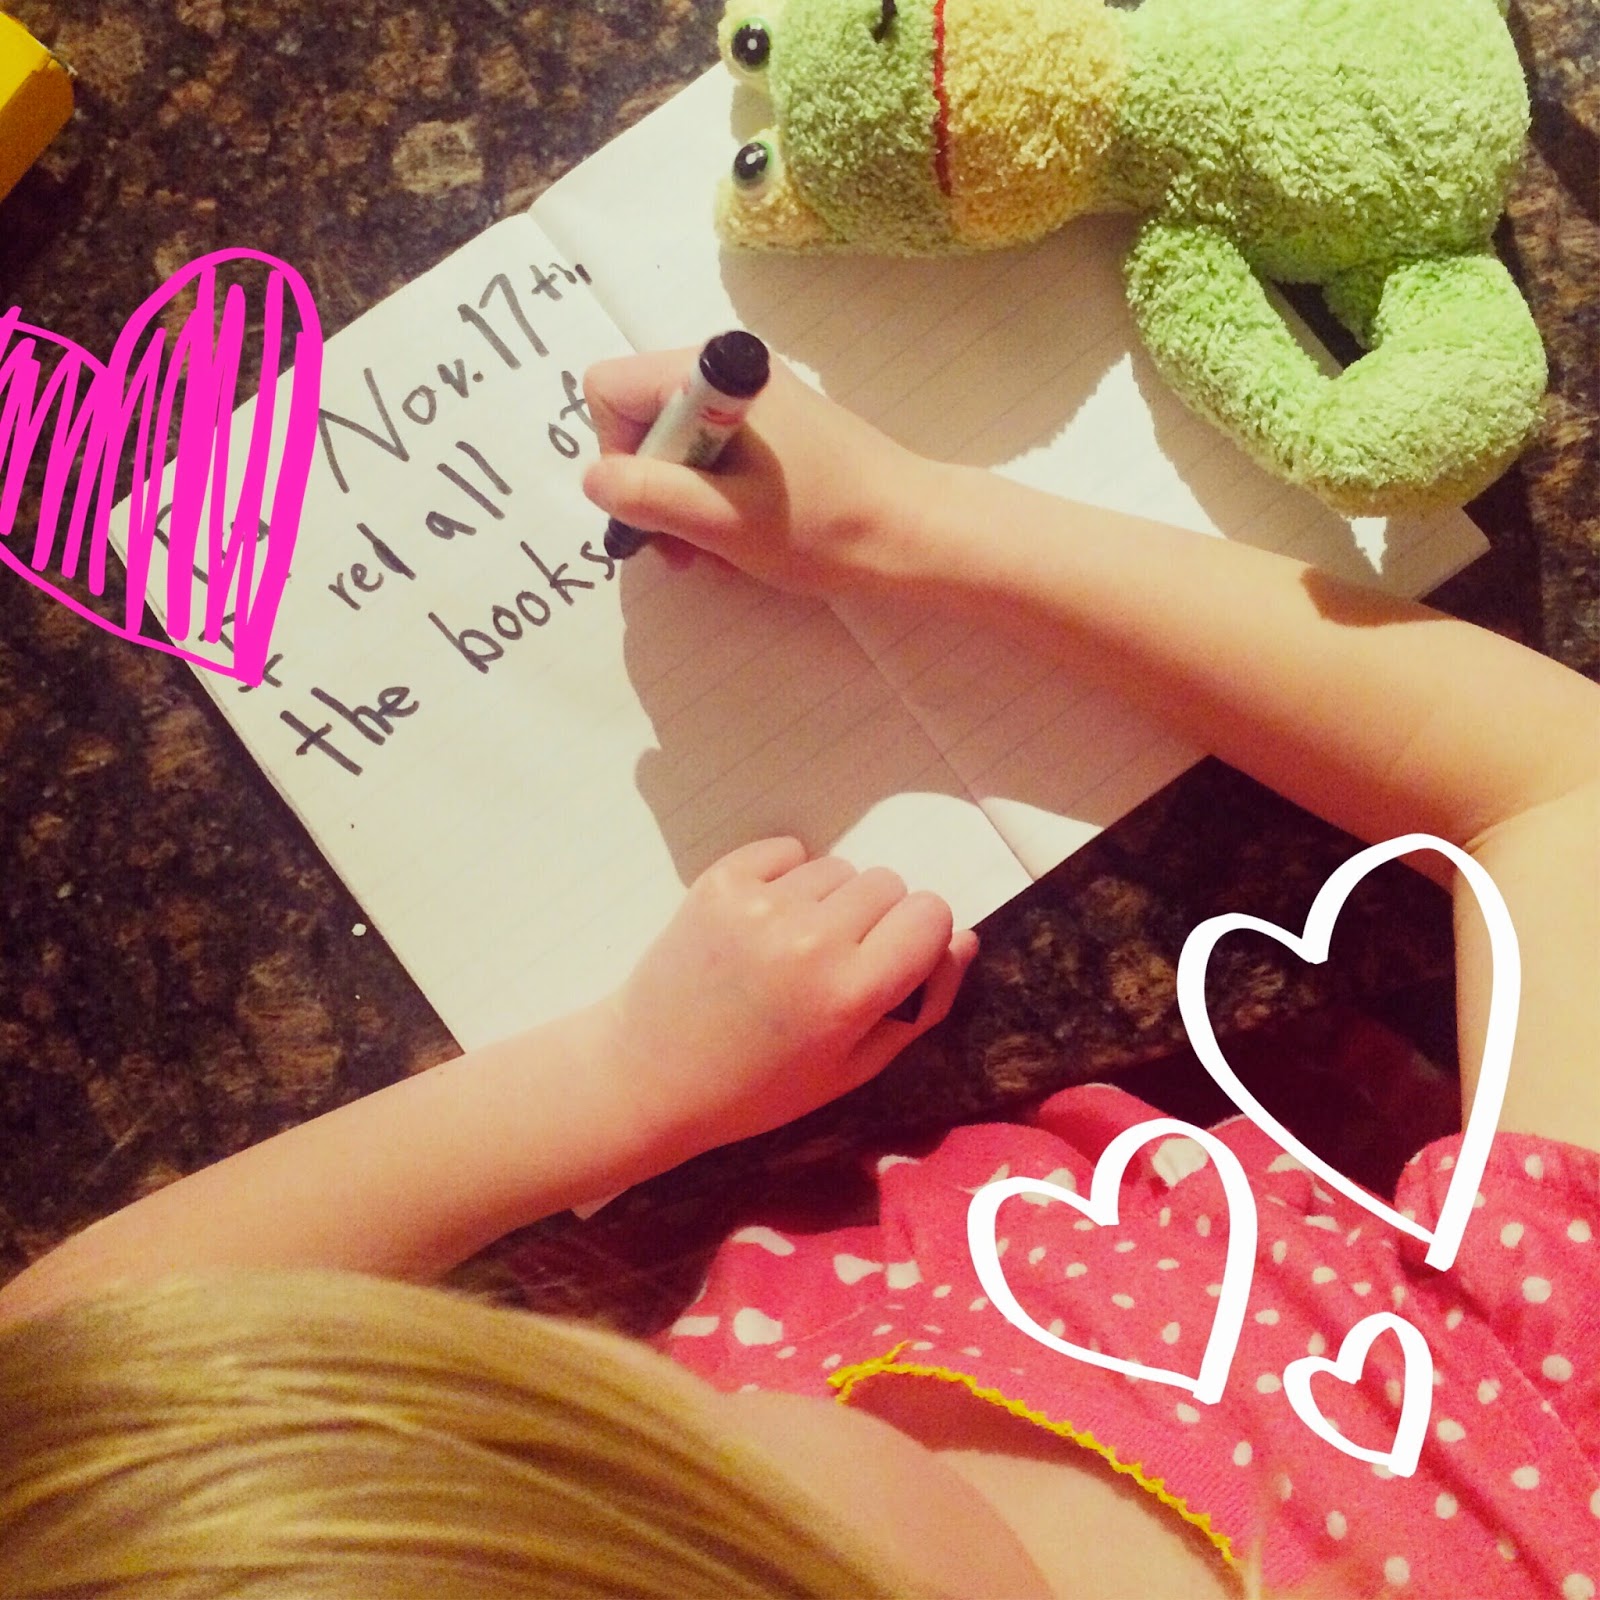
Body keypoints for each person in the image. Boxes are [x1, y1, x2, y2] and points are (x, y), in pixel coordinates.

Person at [1, 352, 1596, 1599]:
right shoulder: (1507, 1487)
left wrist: (616, 1083)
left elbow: (60, 1376)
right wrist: (922, 524)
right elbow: (1564, 794)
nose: (674, 1358)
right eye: (667, 1411)